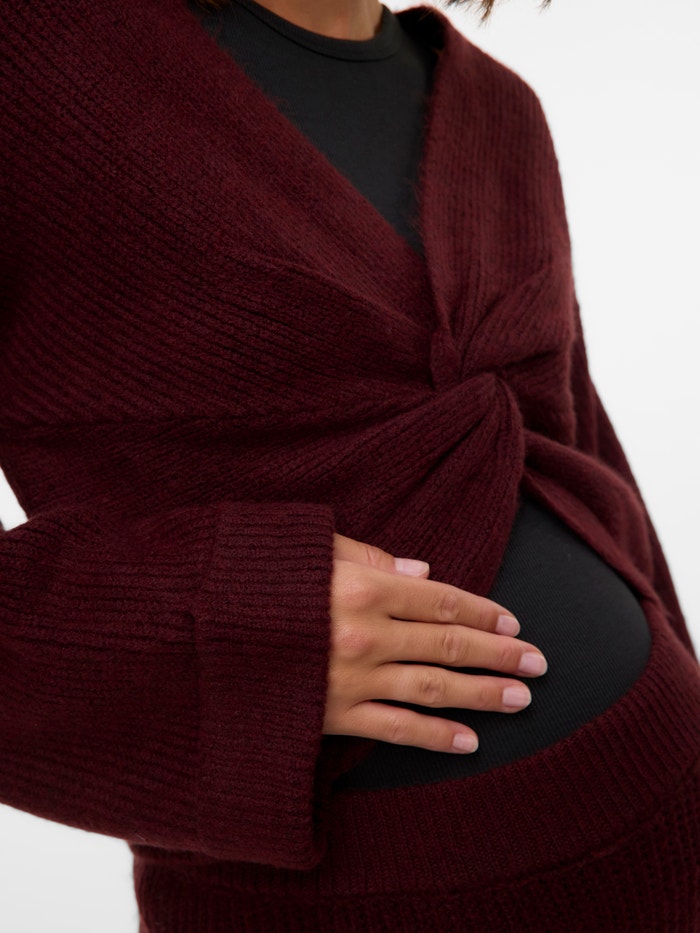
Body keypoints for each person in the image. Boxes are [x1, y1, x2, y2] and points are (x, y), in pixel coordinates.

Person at [0, 0, 698, 930]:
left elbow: (586, 471)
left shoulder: (502, 113)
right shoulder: (37, 62)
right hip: (339, 899)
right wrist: (233, 622)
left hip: (665, 826)